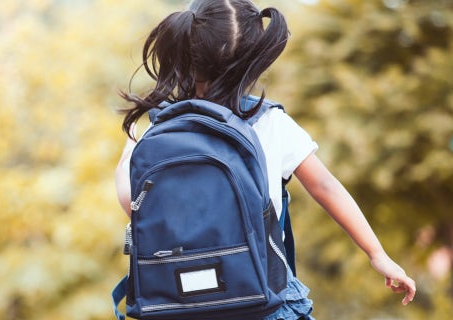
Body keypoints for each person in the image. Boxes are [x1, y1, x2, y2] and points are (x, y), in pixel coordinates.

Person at [114, 0, 417, 319]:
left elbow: (131, 203)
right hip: (262, 298)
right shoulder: (269, 122)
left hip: (177, 302)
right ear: (253, 61)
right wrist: (377, 254)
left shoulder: (156, 128)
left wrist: (128, 156)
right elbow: (326, 187)